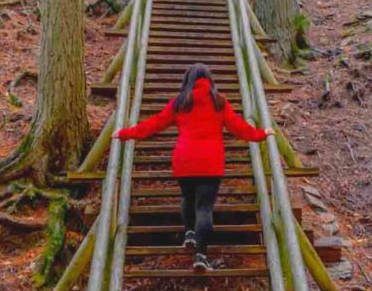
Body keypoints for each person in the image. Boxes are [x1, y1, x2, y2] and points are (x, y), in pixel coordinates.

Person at [114, 63, 273, 270]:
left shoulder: (180, 102)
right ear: (210, 80)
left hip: (184, 160)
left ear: (187, 81)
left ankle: (189, 232)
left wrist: (124, 133)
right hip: (210, 162)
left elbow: (154, 124)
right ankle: (200, 255)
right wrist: (262, 134)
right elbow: (239, 127)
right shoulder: (219, 102)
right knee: (204, 208)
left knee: (187, 197)